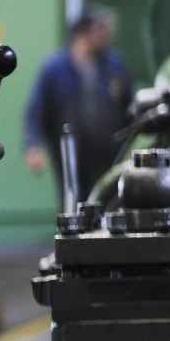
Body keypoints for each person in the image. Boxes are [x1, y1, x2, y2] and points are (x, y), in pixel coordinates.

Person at [21, 12, 134, 201]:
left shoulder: (113, 65)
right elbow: (36, 110)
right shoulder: (55, 69)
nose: (106, 35)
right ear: (83, 34)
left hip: (109, 152)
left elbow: (129, 107)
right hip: (69, 152)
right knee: (73, 201)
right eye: (100, 30)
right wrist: (33, 146)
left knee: (108, 199)